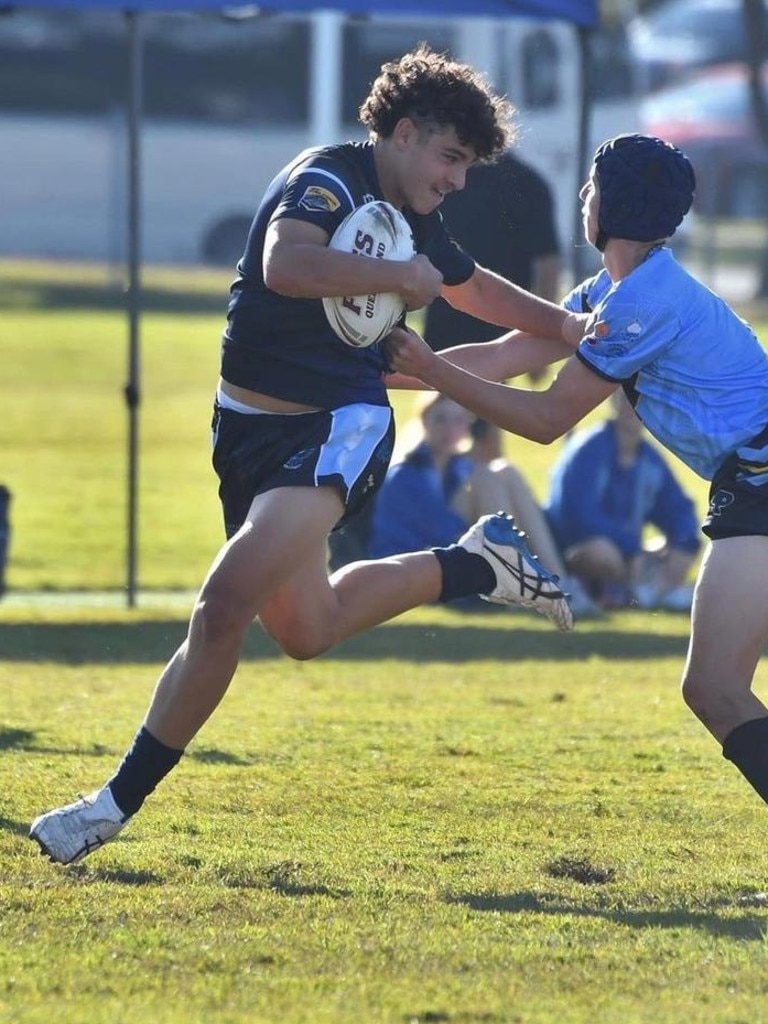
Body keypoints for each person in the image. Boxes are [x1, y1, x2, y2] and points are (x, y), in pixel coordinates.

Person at [29, 45, 580, 866]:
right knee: (306, 628)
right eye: (451, 157)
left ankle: (109, 806)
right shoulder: (327, 180)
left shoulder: (416, 213)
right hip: (246, 428)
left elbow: (468, 285)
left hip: (339, 427)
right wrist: (404, 274)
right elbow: (286, 265)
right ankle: (475, 566)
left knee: (222, 609)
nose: (458, 180)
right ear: (402, 132)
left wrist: (566, 327)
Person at [387, 132, 768, 814]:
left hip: (762, 478)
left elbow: (545, 419)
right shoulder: (619, 291)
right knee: (715, 687)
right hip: (753, 480)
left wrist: (431, 369)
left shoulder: (640, 303)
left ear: (607, 207)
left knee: (714, 687)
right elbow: (509, 353)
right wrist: (377, 373)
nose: (583, 199)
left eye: (590, 188)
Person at [367, 395, 596, 619]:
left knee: (505, 470)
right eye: (440, 419)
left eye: (458, 420)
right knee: (486, 475)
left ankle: (559, 581)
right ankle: (521, 583)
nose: (449, 429)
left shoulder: (459, 467)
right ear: (424, 422)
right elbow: (444, 531)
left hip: (457, 550)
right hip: (419, 565)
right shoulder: (405, 474)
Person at [544, 390, 701, 610]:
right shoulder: (588, 449)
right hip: (575, 549)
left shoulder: (650, 459)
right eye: (628, 398)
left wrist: (682, 546)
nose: (635, 407)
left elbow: (679, 510)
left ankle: (642, 587)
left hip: (629, 554)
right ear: (613, 401)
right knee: (602, 552)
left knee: (669, 548)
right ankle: (634, 589)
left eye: (644, 399)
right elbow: (580, 517)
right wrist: (631, 548)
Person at [423, 151, 561, 351]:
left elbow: (548, 260)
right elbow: (549, 262)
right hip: (455, 314)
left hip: (494, 317)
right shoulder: (449, 180)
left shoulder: (525, 184)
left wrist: (546, 335)